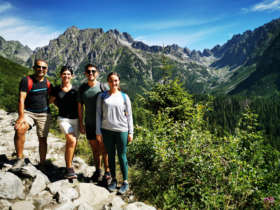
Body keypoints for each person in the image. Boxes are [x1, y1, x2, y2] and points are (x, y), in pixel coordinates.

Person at [96, 72, 133, 194]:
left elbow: (129, 116)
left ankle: (125, 181)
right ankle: (114, 180)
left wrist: (130, 132)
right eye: (111, 81)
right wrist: (98, 131)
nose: (114, 83)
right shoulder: (102, 96)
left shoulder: (124, 97)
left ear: (119, 81)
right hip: (106, 130)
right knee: (110, 156)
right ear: (108, 82)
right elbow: (98, 115)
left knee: (122, 156)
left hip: (122, 130)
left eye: (116, 80)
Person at [13, 59, 52, 170]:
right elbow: (21, 99)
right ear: (34, 68)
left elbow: (52, 96)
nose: (41, 69)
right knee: (20, 129)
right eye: (39, 67)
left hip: (44, 114)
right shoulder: (27, 80)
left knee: (42, 139)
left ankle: (42, 163)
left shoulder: (48, 83)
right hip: (28, 112)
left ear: (46, 70)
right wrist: (21, 117)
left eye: (44, 68)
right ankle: (19, 159)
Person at [78, 64, 110, 183]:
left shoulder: (103, 87)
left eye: (93, 71)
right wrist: (81, 124)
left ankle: (107, 173)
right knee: (94, 149)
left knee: (104, 149)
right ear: (85, 74)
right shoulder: (82, 89)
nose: (90, 73)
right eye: (88, 71)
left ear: (97, 73)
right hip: (90, 123)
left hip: (102, 124)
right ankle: (98, 171)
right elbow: (80, 107)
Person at [49, 66, 79, 179]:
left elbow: (80, 106)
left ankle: (68, 166)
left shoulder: (76, 89)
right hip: (63, 119)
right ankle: (69, 168)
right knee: (71, 140)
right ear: (61, 75)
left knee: (72, 143)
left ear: (72, 76)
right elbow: (51, 101)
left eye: (68, 74)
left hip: (76, 119)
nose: (66, 76)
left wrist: (81, 122)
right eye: (64, 74)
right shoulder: (56, 89)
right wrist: (60, 106)